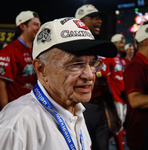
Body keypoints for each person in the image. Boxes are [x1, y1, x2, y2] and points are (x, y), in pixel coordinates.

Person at [0, 17, 117, 150]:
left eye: (92, 63)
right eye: (76, 64)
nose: (90, 75)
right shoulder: (17, 125)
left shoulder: (76, 110)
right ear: (41, 69)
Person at [75, 4, 111, 150]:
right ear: (80, 20)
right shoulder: (70, 48)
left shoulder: (98, 47)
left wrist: (110, 110)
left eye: (99, 17)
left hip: (99, 106)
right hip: (80, 105)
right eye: (93, 17)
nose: (99, 20)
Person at [0, 10, 41, 110]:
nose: (39, 28)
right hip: (16, 107)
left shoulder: (38, 49)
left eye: (40, 25)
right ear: (23, 26)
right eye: (35, 24)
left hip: (34, 105)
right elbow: (1, 83)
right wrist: (6, 111)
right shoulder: (10, 50)